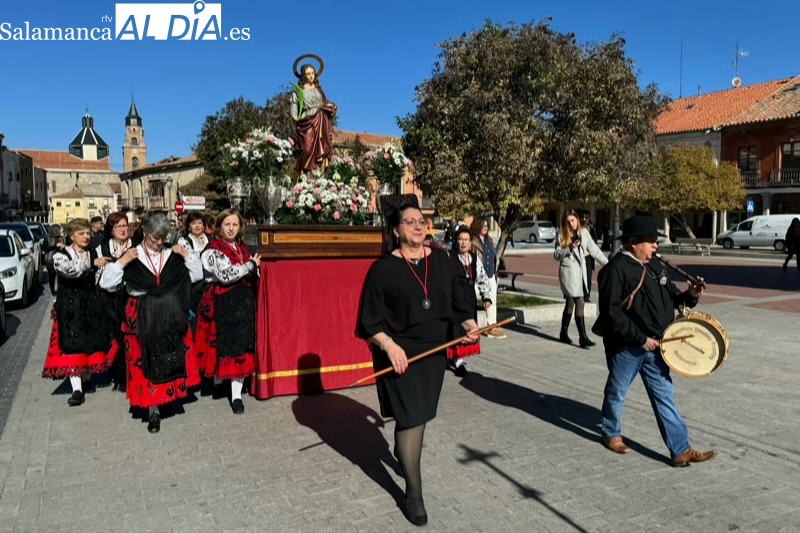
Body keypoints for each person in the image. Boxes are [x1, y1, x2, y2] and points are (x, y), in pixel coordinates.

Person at [358, 195, 479, 527]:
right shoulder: (382, 269)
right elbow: (369, 321)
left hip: (432, 354)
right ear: (396, 230)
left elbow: (459, 303)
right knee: (411, 420)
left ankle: (402, 454)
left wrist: (468, 325)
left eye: (420, 221)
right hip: (399, 354)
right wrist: (389, 346)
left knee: (418, 417)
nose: (416, 226)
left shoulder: (442, 261)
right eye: (408, 222)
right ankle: (413, 493)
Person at [597, 215, 714, 467]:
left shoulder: (655, 266)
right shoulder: (615, 270)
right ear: (632, 242)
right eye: (650, 241)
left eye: (655, 242)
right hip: (628, 346)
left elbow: (673, 299)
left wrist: (691, 294)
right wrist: (641, 339)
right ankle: (611, 433)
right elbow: (611, 313)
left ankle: (680, 449)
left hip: (658, 345)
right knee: (617, 391)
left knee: (664, 396)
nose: (655, 246)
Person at [99, 213, 204, 433]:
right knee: (145, 361)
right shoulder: (134, 255)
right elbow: (107, 284)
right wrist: (122, 261)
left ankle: (167, 398)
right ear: (145, 233)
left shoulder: (171, 254)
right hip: (141, 315)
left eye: (163, 238)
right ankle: (152, 410)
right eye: (155, 238)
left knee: (166, 357)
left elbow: (196, 275)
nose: (159, 242)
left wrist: (186, 254)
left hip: (168, 315)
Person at [42, 218, 117, 406]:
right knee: (72, 344)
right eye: (81, 233)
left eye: (87, 233)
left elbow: (99, 275)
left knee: (89, 341)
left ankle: (86, 379)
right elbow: (68, 270)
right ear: (71, 236)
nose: (86, 236)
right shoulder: (63, 254)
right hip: (70, 306)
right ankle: (76, 389)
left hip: (90, 303)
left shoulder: (92, 252)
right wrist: (92, 264)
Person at [196, 209, 260, 415]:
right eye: (227, 224)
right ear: (219, 227)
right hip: (222, 302)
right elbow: (226, 274)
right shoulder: (212, 249)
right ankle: (222, 385)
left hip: (242, 303)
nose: (231, 228)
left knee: (241, 346)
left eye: (235, 224)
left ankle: (236, 393)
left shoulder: (242, 247)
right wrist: (250, 265)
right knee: (224, 346)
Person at [554, 209, 608, 348]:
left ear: (577, 219)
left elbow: (594, 250)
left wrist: (608, 264)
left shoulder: (584, 233)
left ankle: (563, 332)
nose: (571, 224)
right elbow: (556, 255)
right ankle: (583, 337)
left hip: (581, 272)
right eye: (568, 222)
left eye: (573, 220)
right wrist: (569, 248)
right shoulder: (561, 234)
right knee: (580, 301)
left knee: (570, 303)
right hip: (569, 273)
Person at [447, 226, 492, 376]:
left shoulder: (474, 258)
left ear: (470, 242)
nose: (463, 243)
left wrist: (486, 296)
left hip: (469, 297)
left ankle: (459, 356)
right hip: (454, 297)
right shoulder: (450, 256)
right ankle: (457, 360)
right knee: (456, 328)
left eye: (466, 240)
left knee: (469, 329)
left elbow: (482, 277)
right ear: (456, 241)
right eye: (460, 239)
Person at [95, 212, 133, 392]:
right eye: (118, 226)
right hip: (109, 299)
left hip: (130, 297)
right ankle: (117, 373)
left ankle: (129, 374)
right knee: (115, 336)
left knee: (129, 335)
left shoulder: (136, 246)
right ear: (111, 229)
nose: (122, 230)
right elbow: (98, 276)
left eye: (125, 226)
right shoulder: (102, 248)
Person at [291, 62, 337, 175]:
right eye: (308, 74)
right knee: (307, 149)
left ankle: (318, 177)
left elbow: (324, 103)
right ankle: (304, 175)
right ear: (303, 76)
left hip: (321, 121)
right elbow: (294, 106)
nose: (311, 76)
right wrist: (296, 117)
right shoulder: (299, 91)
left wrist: (331, 107)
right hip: (307, 122)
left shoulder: (319, 90)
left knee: (322, 149)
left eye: (312, 73)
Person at [470, 217, 505, 339]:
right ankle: (473, 327)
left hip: (490, 276)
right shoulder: (473, 240)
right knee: (473, 301)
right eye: (483, 225)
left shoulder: (489, 239)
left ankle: (492, 327)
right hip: (478, 277)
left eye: (487, 226)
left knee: (492, 301)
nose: (485, 228)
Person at [42, 224, 66, 297]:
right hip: (49, 260)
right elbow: (45, 249)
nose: (60, 231)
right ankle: (53, 290)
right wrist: (55, 246)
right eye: (58, 230)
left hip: (60, 260)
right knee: (52, 276)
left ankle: (60, 290)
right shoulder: (47, 238)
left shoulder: (62, 238)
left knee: (61, 275)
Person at [581, 213, 599, 302]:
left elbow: (595, 241)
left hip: (588, 257)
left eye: (586, 218)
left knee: (588, 277)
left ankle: (587, 295)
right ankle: (579, 294)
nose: (584, 219)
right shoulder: (577, 229)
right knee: (580, 277)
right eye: (583, 218)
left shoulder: (591, 230)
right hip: (580, 256)